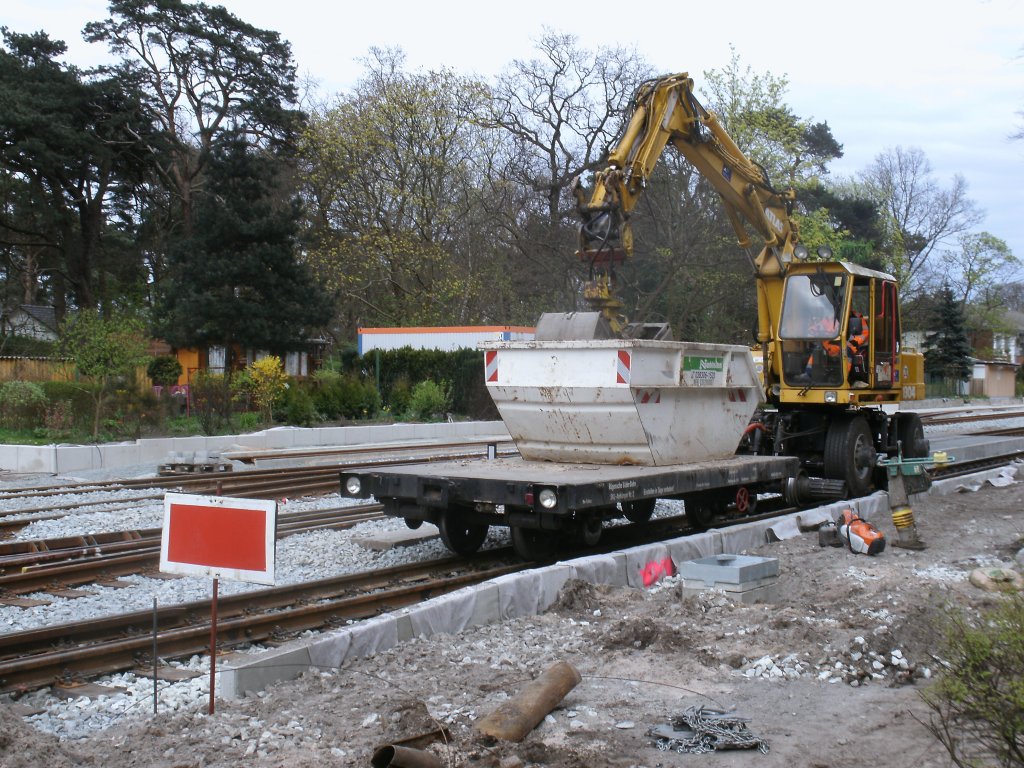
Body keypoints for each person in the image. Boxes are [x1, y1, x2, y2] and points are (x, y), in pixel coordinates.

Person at [794, 308, 869, 386]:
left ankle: (844, 376)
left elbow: (865, 333)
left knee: (846, 351)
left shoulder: (857, 317)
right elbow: (816, 327)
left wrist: (853, 342)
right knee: (818, 349)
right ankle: (808, 373)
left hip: (850, 345)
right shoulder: (830, 317)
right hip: (832, 344)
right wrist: (813, 332)